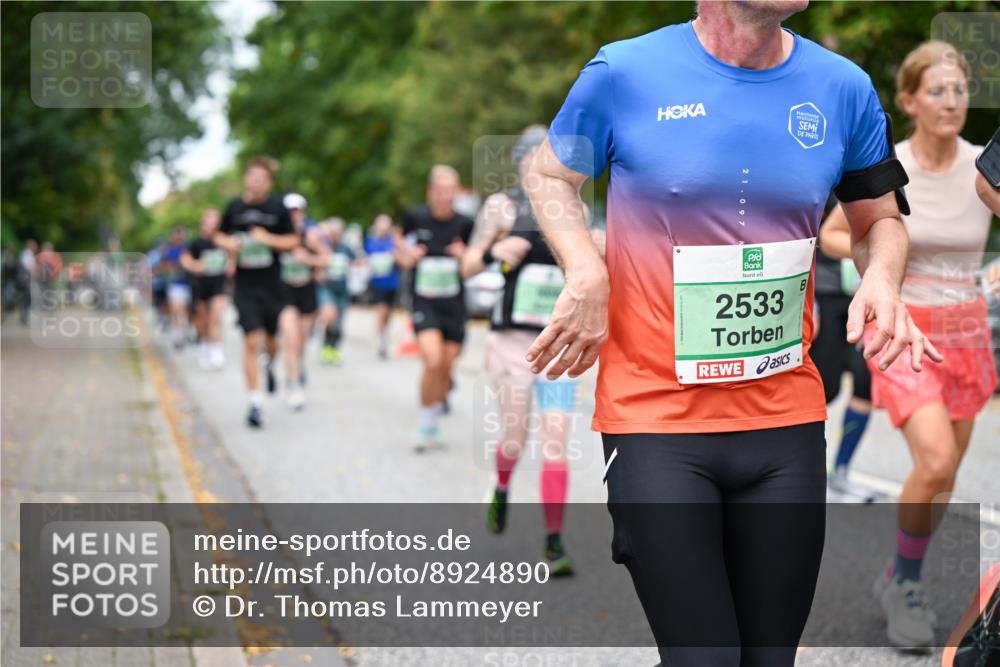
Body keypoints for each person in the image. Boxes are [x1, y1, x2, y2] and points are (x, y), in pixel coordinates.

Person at [529, 2, 941, 665]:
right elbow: (547, 173)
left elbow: (879, 222)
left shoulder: (842, 87)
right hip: (656, 419)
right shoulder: (625, 72)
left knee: (770, 657)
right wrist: (585, 268)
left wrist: (884, 279)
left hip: (785, 418)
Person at [820, 41, 996, 649]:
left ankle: (899, 570)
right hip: (904, 327)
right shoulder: (889, 164)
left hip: (969, 331)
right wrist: (876, 268)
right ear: (909, 100)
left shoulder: (986, 167)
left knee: (942, 477)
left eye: (960, 89)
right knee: (937, 460)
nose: (952, 101)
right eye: (938, 90)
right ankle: (910, 584)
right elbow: (834, 232)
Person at [463, 126, 580, 576]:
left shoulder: (571, 209)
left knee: (556, 437)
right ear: (520, 163)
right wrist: (495, 251)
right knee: (515, 436)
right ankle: (502, 483)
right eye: (535, 157)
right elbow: (467, 265)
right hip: (511, 341)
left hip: (556, 343)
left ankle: (554, 541)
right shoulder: (502, 206)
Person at [214, 156, 299, 428]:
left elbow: (294, 241)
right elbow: (216, 235)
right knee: (252, 340)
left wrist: (268, 239)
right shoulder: (235, 207)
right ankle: (255, 403)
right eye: (253, 177)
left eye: (262, 178)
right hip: (245, 286)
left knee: (272, 340)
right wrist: (230, 242)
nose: (257, 182)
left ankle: (270, 363)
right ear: (246, 179)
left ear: (269, 182)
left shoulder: (278, 208)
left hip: (273, 285)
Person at [396, 165, 474, 451]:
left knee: (445, 365)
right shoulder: (416, 217)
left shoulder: (466, 224)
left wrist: (465, 255)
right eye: (441, 190)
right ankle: (426, 424)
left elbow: (476, 262)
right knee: (432, 360)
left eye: (451, 190)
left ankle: (441, 395)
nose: (446, 196)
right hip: (424, 301)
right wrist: (407, 255)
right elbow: (399, 245)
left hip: (453, 306)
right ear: (431, 192)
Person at [810, 195, 878, 503]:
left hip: (860, 294)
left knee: (866, 383)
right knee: (826, 389)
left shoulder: (866, 170)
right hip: (822, 295)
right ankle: (809, 472)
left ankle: (841, 473)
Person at [280, 193, 325, 405]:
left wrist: (309, 259)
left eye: (297, 210)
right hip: (284, 292)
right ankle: (294, 383)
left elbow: (327, 258)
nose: (293, 214)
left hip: (306, 291)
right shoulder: (278, 236)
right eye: (289, 211)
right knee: (291, 337)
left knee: (302, 339)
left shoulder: (311, 235)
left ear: (303, 212)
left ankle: (298, 365)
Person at [181, 208, 230, 370]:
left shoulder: (223, 240)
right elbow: (185, 259)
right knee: (204, 321)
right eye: (208, 222)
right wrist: (195, 266)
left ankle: (216, 350)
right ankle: (204, 343)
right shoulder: (197, 243)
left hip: (219, 285)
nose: (211, 226)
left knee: (216, 316)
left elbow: (234, 252)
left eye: (215, 223)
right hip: (201, 286)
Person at [316, 218, 356, 366]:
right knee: (329, 317)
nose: (334, 236)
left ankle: (334, 349)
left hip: (342, 289)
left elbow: (357, 260)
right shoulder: (321, 246)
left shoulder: (345, 248)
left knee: (339, 323)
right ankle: (326, 347)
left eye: (337, 233)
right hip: (327, 288)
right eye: (331, 233)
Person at [364, 213, 400, 359]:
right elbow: (365, 258)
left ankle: (383, 335)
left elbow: (400, 256)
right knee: (381, 311)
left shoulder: (393, 242)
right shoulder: (370, 242)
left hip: (391, 283)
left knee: (388, 314)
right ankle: (380, 340)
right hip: (376, 283)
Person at [161, 227, 192, 349]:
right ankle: (177, 334)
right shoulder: (169, 251)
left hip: (187, 285)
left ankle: (183, 331)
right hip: (174, 284)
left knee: (183, 310)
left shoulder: (188, 249)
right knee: (176, 309)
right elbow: (164, 266)